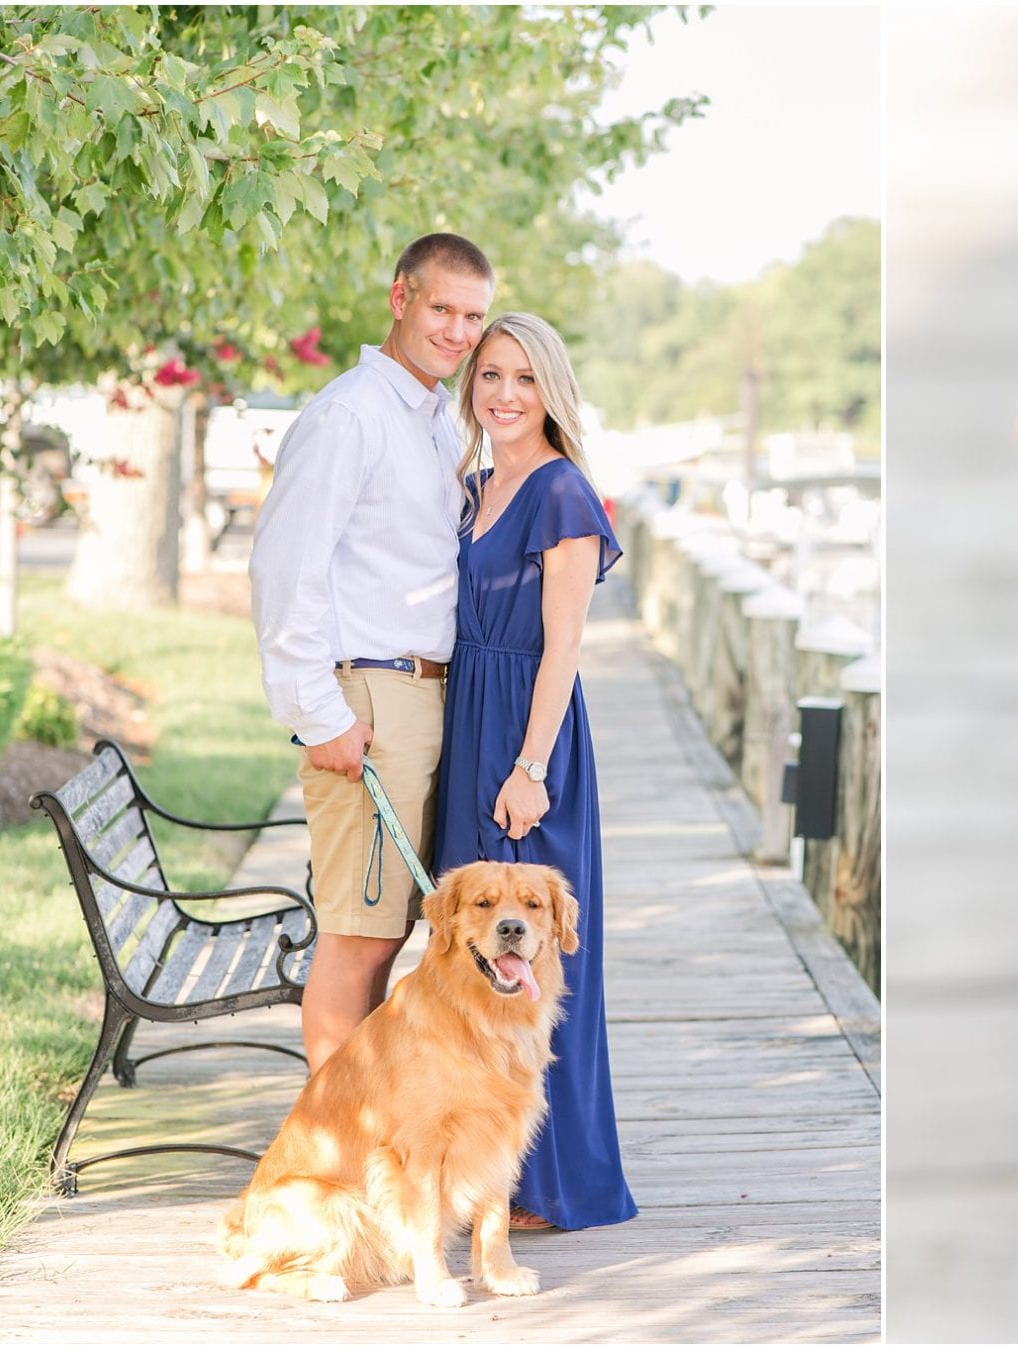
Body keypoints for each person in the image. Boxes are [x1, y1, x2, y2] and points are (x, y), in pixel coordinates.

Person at [250, 233, 494, 1074]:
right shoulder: (351, 414)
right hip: (368, 701)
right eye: (442, 309)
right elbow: (286, 569)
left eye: (473, 317)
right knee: (357, 939)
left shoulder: (430, 419)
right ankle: (333, 1155)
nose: (459, 333)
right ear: (400, 299)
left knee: (388, 933)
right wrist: (319, 715)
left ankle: (363, 1136)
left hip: (421, 700)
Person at [432, 312, 636, 1232]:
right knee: (473, 964)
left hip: (525, 737)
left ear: (550, 388)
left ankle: (557, 1183)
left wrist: (529, 767)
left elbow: (563, 649)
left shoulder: (561, 493)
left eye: (523, 377)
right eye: (490, 376)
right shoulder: (474, 484)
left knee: (539, 966)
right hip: (467, 718)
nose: (505, 394)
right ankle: (486, 1177)